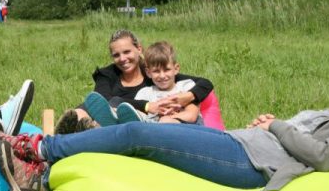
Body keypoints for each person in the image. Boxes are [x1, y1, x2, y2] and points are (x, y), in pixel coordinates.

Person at [0, 56, 329, 191]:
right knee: (146, 140)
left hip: (251, 163)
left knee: (140, 139)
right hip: (242, 144)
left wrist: (276, 125)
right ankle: (42, 168)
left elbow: (326, 157)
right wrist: (271, 125)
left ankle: (36, 151)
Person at [54, 29, 214, 134]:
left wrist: (188, 96)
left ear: (139, 49)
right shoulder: (107, 74)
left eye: (127, 52)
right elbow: (103, 102)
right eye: (116, 55)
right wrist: (147, 106)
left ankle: (87, 131)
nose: (122, 59)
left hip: (139, 122)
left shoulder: (153, 73)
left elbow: (204, 83)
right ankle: (74, 128)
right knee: (86, 108)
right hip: (110, 113)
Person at [88, 40, 203, 125]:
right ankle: (110, 120)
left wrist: (170, 116)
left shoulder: (186, 86)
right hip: (154, 128)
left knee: (165, 121)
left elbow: (192, 116)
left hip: (189, 129)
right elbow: (138, 114)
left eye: (167, 70)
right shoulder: (145, 93)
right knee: (130, 114)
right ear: (148, 72)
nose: (162, 76)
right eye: (156, 71)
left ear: (176, 69)